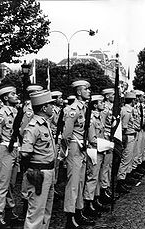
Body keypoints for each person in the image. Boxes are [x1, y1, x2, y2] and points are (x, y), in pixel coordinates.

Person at [20, 90, 56, 229]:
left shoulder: (45, 124)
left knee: (46, 211)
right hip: (39, 173)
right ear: (43, 108)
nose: (52, 107)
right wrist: (31, 172)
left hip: (49, 171)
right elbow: (25, 153)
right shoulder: (33, 127)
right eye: (50, 105)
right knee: (35, 213)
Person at [62, 80, 95, 228]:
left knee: (81, 182)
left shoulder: (84, 108)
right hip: (75, 148)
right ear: (79, 92)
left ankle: (79, 211)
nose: (89, 91)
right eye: (86, 89)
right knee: (73, 184)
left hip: (82, 148)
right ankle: (70, 217)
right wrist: (65, 153)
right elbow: (66, 135)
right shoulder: (73, 110)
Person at [0, 86, 21, 229]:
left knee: (11, 183)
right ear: (5, 98)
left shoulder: (16, 112)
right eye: (12, 94)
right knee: (3, 184)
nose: (16, 96)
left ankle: (9, 214)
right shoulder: (1, 114)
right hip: (5, 149)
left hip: (15, 149)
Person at [116, 92, 137, 194]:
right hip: (127, 136)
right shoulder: (127, 111)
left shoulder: (126, 109)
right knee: (125, 159)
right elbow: (124, 127)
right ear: (132, 100)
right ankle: (120, 181)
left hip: (130, 135)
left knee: (128, 159)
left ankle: (124, 179)